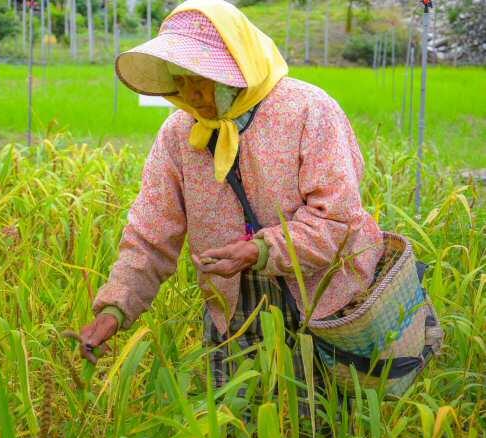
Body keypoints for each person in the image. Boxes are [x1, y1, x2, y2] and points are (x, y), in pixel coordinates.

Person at [78, 0, 384, 394]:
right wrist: (115, 309)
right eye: (180, 80)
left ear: (237, 68)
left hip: (322, 303)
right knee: (232, 413)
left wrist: (258, 250)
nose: (191, 94)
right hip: (232, 306)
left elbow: (335, 221)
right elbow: (149, 233)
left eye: (200, 77)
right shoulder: (179, 135)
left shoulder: (308, 111)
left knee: (316, 419)